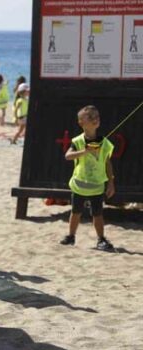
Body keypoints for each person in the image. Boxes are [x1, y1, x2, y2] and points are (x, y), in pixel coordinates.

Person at [60, 106, 116, 252]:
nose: (95, 119)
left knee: (97, 214)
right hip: (79, 184)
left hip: (97, 186)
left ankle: (101, 239)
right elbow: (67, 156)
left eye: (96, 116)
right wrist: (85, 151)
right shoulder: (77, 141)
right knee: (75, 212)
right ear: (81, 123)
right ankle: (71, 236)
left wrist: (111, 183)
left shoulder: (105, 143)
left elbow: (107, 163)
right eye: (90, 117)